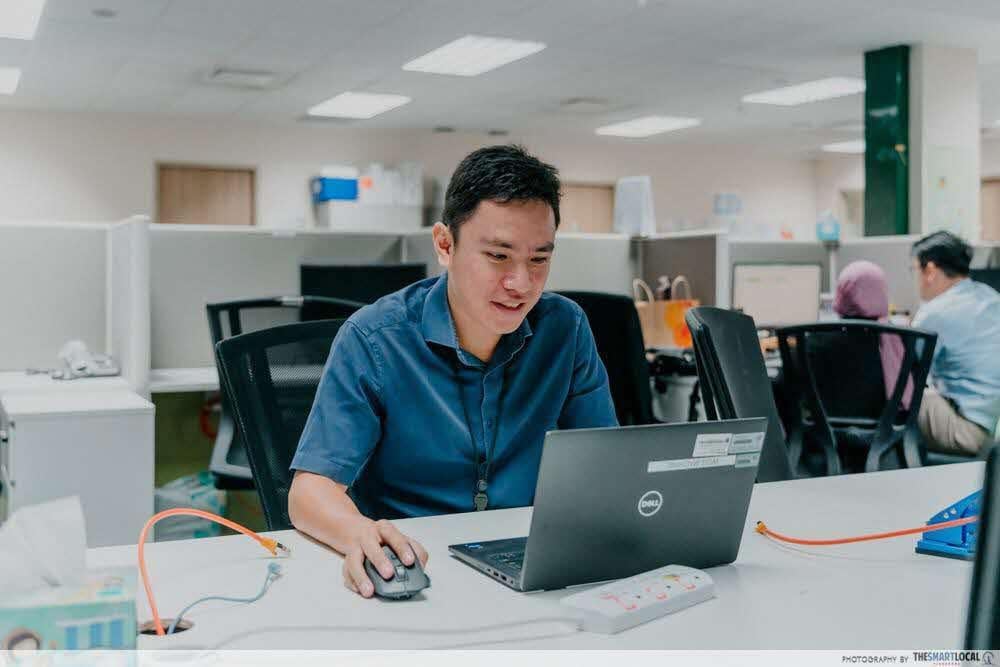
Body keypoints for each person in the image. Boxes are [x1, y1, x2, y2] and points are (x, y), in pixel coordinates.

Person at [287, 145, 618, 598]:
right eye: (499, 256)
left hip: (529, 563)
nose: (521, 284)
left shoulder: (565, 328)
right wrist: (358, 533)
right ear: (445, 244)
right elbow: (309, 492)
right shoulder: (374, 338)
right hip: (418, 566)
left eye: (539, 259)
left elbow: (607, 464)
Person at [911, 231, 1000, 456]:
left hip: (969, 432)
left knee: (898, 388)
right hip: (994, 428)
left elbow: (907, 372)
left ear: (930, 270)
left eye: (915, 271)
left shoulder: (934, 312)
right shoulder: (992, 297)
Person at [833, 260, 912, 407]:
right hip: (887, 427)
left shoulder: (814, 339)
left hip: (822, 428)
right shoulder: (903, 338)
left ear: (841, 293)